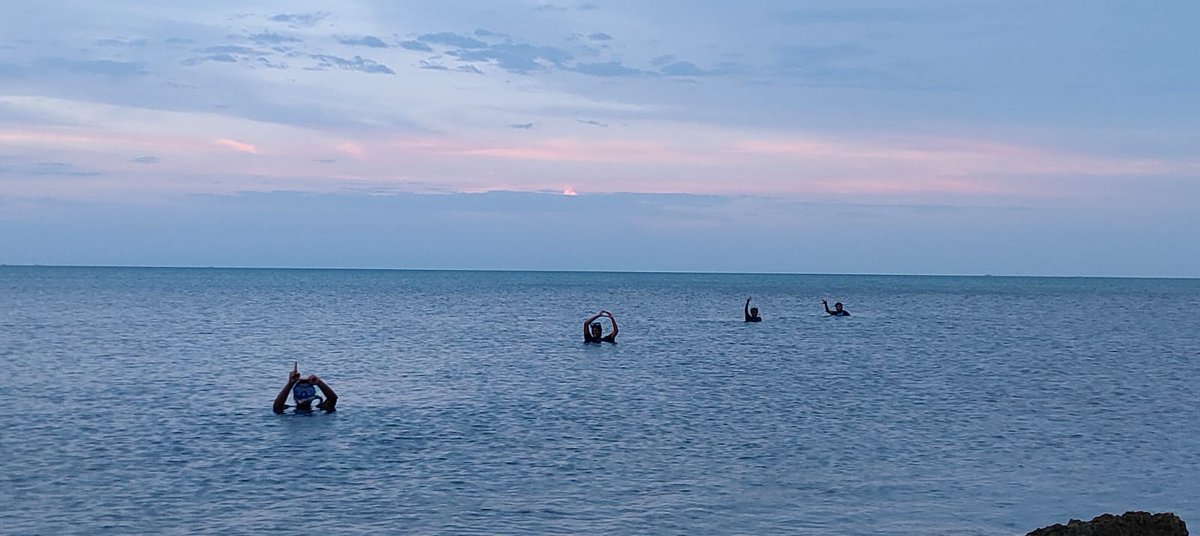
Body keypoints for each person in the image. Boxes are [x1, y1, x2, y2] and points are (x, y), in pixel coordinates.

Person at [273, 364, 338, 414]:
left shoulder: (320, 408)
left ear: (313, 394)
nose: (304, 394)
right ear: (295, 396)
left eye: (308, 391)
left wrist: (319, 382)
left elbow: (333, 399)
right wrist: (290, 384)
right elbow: (276, 407)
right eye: (299, 391)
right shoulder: (287, 408)